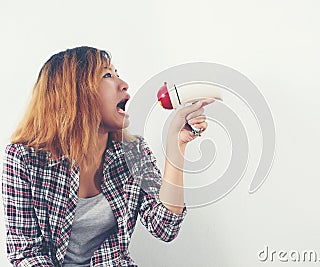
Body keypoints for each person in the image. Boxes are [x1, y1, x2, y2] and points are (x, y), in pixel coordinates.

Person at [2, 46, 215, 266]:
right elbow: (25, 252)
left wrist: (176, 144)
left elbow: (165, 227)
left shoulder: (134, 152)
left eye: (117, 74)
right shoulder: (23, 158)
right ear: (76, 93)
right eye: (107, 75)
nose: (124, 84)